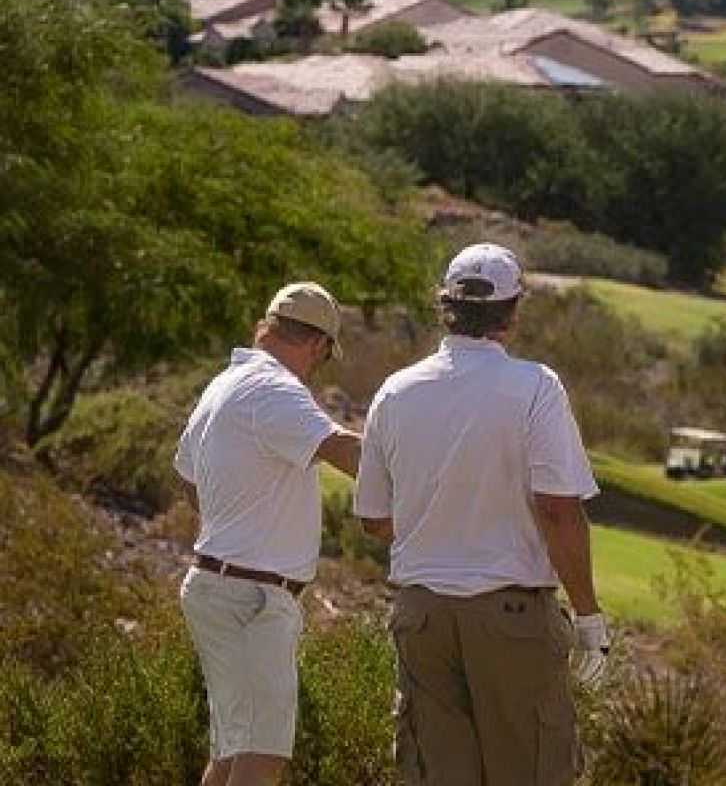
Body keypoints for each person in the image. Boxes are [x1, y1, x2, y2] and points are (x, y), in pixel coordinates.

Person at [355, 243, 609, 786]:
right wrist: (588, 616)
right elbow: (559, 513)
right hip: (510, 617)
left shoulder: (394, 392)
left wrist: (439, 526)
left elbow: (374, 518)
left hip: (422, 616)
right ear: (512, 313)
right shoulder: (536, 387)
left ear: (446, 306)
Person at [174, 283, 359, 786]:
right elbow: (346, 452)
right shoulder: (275, 389)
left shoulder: (224, 385)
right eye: (325, 356)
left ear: (267, 326)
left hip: (216, 586)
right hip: (251, 597)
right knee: (263, 754)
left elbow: (187, 478)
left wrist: (233, 519)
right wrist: (432, 474)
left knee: (231, 751)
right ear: (318, 345)